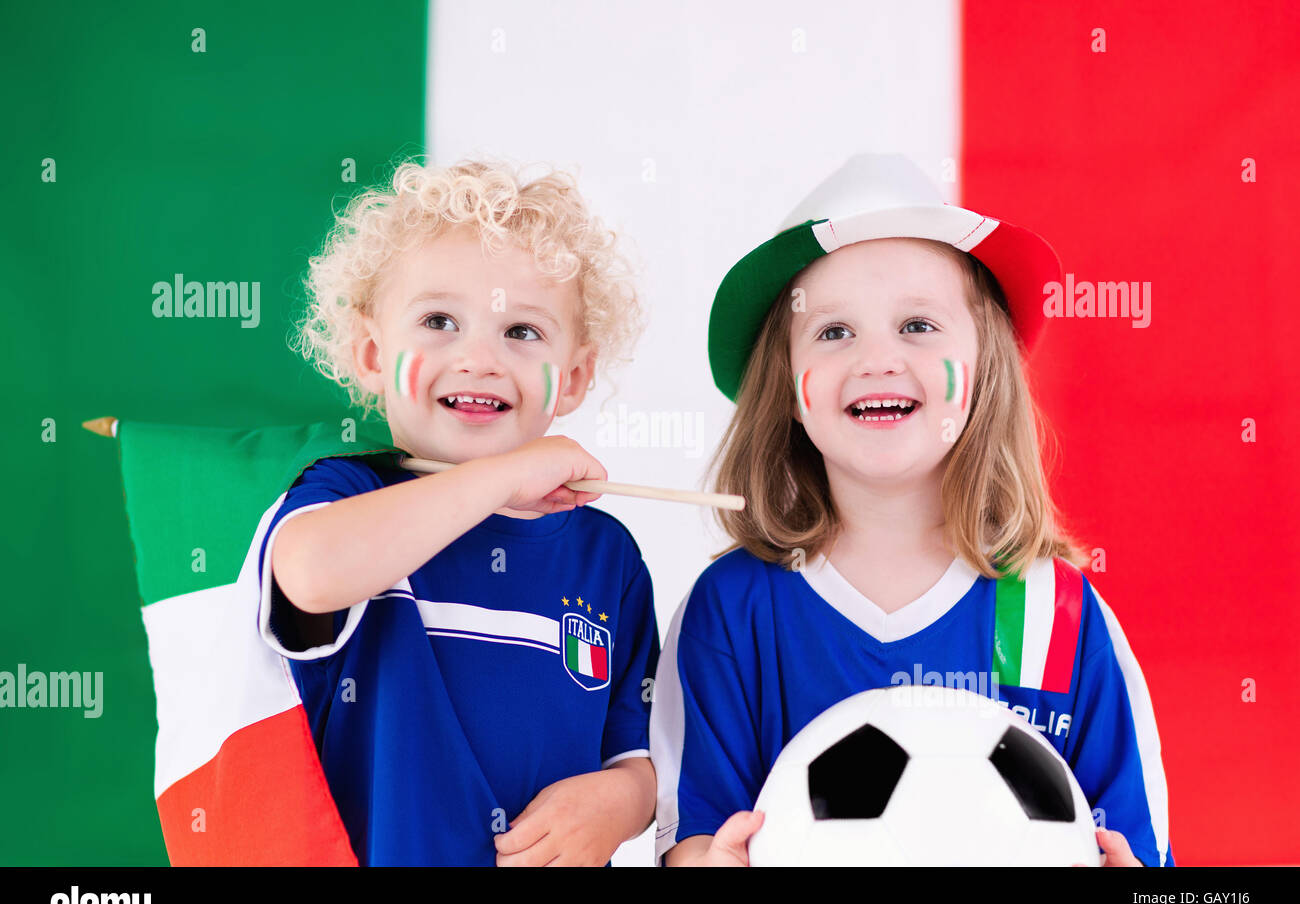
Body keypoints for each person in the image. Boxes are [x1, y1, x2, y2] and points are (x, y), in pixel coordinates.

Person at [650, 154, 1174, 867]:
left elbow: (1145, 867)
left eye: (918, 326)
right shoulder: (734, 612)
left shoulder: (1057, 615)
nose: (877, 359)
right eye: (834, 332)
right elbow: (690, 840)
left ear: (985, 373)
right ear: (787, 390)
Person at [253, 157, 659, 865]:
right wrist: (503, 477)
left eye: (522, 332)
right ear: (372, 353)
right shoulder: (347, 495)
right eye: (440, 321)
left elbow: (639, 751)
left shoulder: (607, 556)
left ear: (577, 377)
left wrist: (619, 803)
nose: (479, 358)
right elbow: (310, 574)